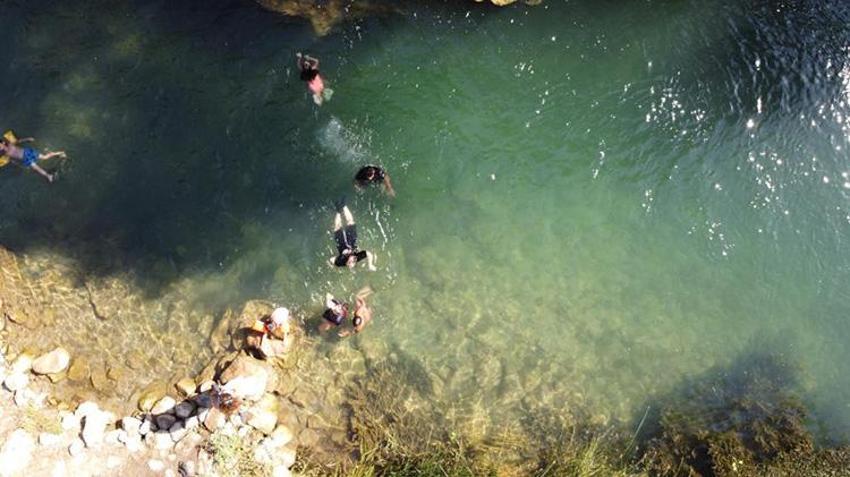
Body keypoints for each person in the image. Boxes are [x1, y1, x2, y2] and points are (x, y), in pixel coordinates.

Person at [328, 199, 377, 271]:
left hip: (341, 244)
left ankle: (338, 210)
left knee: (337, 227)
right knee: (351, 222)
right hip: (351, 240)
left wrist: (331, 265)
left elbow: (331, 260)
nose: (353, 259)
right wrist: (370, 265)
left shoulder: (340, 261)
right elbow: (368, 254)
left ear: (347, 262)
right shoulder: (356, 257)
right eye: (353, 261)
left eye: (350, 261)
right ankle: (344, 205)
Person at [0, 131, 66, 183]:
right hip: (25, 159)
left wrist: (28, 139)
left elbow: (19, 141)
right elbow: (11, 159)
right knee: (36, 168)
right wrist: (16, 163)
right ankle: (48, 175)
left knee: (44, 157)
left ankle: (59, 153)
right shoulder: (3, 153)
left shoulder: (10, 144)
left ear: (3, 143)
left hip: (28, 152)